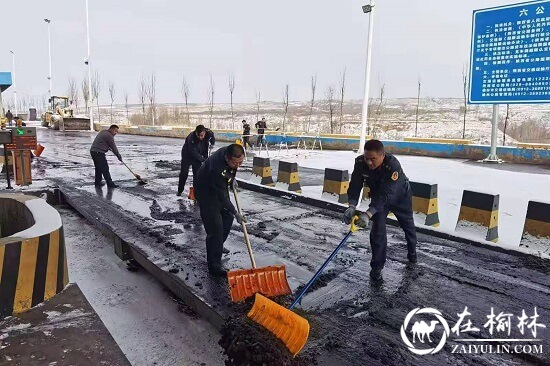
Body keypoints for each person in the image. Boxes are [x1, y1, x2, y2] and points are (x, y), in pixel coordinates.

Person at [343, 139, 417, 281]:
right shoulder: (360, 163)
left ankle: (412, 253)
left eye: (373, 159)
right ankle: (377, 267)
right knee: (377, 230)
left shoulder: (392, 165)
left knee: (408, 227)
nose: (369, 162)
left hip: (400, 198)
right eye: (366, 158)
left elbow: (387, 194)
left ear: (382, 156)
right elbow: (355, 185)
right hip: (379, 198)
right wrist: (351, 206)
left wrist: (368, 214)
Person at [194, 144, 246, 277]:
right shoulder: (216, 170)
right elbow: (222, 197)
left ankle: (217, 246)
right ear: (227, 159)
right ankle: (214, 267)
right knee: (215, 228)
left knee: (227, 217)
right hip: (206, 192)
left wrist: (231, 179)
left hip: (218, 187)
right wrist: (236, 212)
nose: (238, 166)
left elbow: (231, 171)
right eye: (235, 163)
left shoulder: (229, 151)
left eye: (240, 162)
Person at [177, 125, 208, 197]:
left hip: (198, 156)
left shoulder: (207, 134)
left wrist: (206, 158)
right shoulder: (191, 137)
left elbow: (206, 146)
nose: (201, 137)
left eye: (202, 135)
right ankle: (180, 190)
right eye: (200, 136)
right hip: (187, 156)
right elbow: (193, 152)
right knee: (184, 174)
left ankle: (195, 193)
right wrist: (203, 159)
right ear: (196, 133)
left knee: (197, 175)